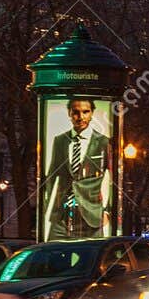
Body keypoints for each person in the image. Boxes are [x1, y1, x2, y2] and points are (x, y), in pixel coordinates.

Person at [41, 97, 111, 240]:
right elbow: (52, 175)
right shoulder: (60, 140)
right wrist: (45, 206)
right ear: (69, 113)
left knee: (93, 257)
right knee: (52, 253)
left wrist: (108, 211)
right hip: (63, 214)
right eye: (76, 112)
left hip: (92, 215)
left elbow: (114, 180)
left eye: (85, 112)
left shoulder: (104, 142)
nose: (81, 117)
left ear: (92, 113)